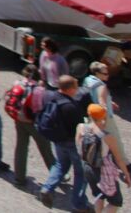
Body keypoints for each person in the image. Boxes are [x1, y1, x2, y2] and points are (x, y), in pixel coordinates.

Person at [37, 75, 89, 211]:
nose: (78, 90)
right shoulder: (71, 106)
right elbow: (80, 127)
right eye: (76, 87)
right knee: (81, 173)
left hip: (58, 140)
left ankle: (47, 188)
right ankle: (79, 204)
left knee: (61, 165)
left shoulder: (49, 96)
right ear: (70, 89)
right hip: (72, 142)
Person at [76, 104, 131, 212]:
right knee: (115, 202)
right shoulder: (107, 137)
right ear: (103, 118)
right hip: (104, 170)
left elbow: (78, 148)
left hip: (88, 167)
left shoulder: (81, 127)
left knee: (99, 195)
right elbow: (119, 159)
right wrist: (126, 174)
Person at [9, 64, 55, 189]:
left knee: (21, 147)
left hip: (19, 119)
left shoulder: (17, 84)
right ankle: (56, 173)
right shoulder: (39, 90)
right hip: (34, 123)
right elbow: (42, 108)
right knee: (45, 148)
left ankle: (19, 177)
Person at [82, 62, 128, 170]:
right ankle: (123, 162)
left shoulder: (87, 80)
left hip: (92, 114)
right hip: (103, 116)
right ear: (97, 73)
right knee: (115, 139)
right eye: (105, 73)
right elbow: (101, 101)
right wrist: (106, 114)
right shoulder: (101, 86)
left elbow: (94, 96)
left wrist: (110, 101)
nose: (108, 75)